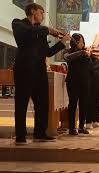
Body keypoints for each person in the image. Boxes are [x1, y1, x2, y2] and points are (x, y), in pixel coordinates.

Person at [12, 3, 70, 144]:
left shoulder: (40, 31)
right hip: (24, 70)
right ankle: (20, 135)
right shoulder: (18, 24)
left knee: (42, 103)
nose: (43, 16)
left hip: (39, 70)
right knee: (21, 103)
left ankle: (40, 132)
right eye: (41, 13)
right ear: (33, 11)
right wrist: (48, 30)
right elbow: (28, 32)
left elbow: (47, 52)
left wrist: (61, 43)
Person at [64, 33, 90, 135]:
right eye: (80, 41)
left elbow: (91, 67)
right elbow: (67, 58)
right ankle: (71, 128)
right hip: (73, 81)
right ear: (74, 42)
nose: (82, 43)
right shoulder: (69, 52)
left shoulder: (85, 54)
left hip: (84, 81)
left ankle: (81, 127)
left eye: (83, 41)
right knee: (73, 104)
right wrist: (81, 53)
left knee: (84, 104)